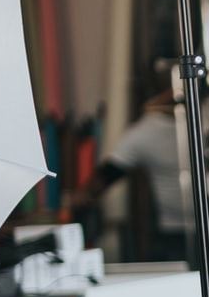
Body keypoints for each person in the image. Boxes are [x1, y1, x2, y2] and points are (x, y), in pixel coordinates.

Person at [67, 82, 188, 263]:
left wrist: (76, 198)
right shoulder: (145, 132)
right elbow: (107, 175)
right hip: (180, 229)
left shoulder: (143, 132)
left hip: (186, 229)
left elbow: (105, 177)